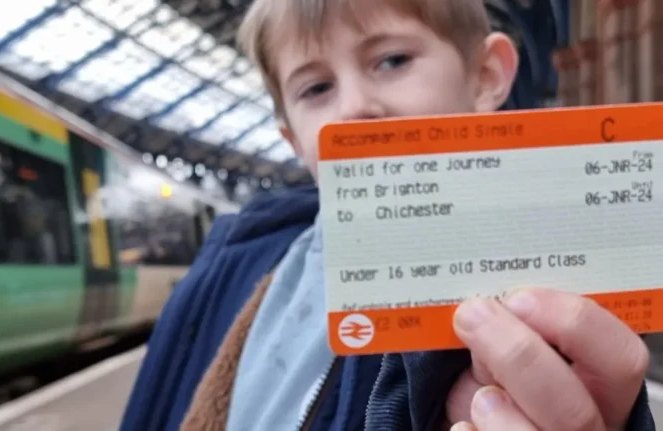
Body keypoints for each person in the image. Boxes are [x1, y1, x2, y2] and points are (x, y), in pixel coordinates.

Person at [120, 0, 655, 430]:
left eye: (393, 60)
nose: (355, 108)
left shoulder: (550, 283)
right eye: (316, 88)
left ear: (487, 75)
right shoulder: (229, 267)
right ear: (294, 140)